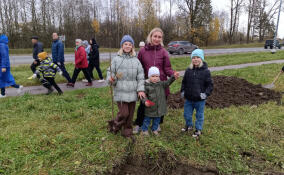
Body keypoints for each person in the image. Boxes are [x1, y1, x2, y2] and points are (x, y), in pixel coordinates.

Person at [133, 27, 179, 134]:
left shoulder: (163, 52)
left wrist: (173, 74)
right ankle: (139, 124)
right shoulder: (143, 51)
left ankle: (157, 124)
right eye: (155, 36)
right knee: (143, 104)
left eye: (159, 37)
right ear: (150, 36)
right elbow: (138, 68)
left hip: (160, 84)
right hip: (147, 84)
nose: (157, 39)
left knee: (161, 104)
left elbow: (167, 68)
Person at [107, 35, 145, 138]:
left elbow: (141, 76)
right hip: (120, 91)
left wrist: (140, 90)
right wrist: (111, 79)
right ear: (122, 46)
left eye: (130, 44)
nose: (127, 46)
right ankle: (115, 123)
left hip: (132, 92)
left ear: (132, 46)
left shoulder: (136, 61)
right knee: (124, 113)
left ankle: (127, 131)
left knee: (130, 114)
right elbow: (110, 71)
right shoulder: (116, 59)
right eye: (125, 44)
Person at [180, 49, 213, 138]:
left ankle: (198, 130)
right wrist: (183, 91)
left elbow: (210, 85)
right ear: (191, 59)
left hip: (200, 100)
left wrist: (205, 94)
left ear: (201, 59)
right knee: (186, 114)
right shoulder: (188, 70)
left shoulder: (206, 71)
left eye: (198, 57)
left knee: (199, 116)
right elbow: (184, 82)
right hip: (189, 99)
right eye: (193, 57)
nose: (195, 59)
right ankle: (189, 125)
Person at [141, 66, 176, 136]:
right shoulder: (146, 85)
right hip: (150, 108)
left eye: (157, 76)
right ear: (149, 76)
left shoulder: (161, 84)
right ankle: (144, 130)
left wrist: (173, 77)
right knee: (147, 120)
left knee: (157, 120)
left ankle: (154, 129)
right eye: (153, 76)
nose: (155, 78)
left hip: (159, 108)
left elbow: (168, 82)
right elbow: (143, 96)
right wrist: (145, 101)